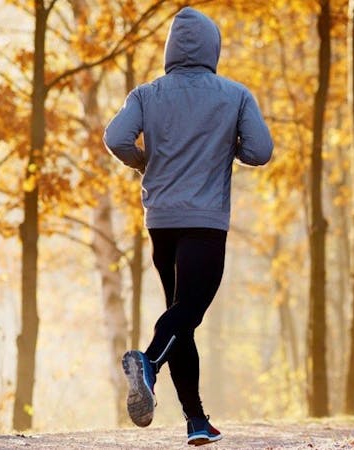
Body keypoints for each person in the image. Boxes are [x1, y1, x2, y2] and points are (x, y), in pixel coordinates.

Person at [103, 6, 273, 446]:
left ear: (170, 49)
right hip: (205, 221)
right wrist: (226, 145)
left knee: (181, 319)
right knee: (186, 315)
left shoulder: (147, 94)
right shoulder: (234, 95)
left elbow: (116, 137)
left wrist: (142, 162)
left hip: (161, 221)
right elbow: (260, 151)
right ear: (213, 48)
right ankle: (149, 364)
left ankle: (196, 420)